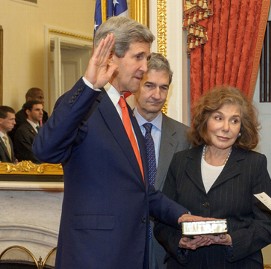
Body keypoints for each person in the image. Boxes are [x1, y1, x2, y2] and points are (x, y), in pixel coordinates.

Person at [33, 16, 206, 269]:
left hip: (130, 255)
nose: (144, 66)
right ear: (111, 56)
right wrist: (88, 85)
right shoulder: (86, 105)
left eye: (146, 58)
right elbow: (45, 149)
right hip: (93, 257)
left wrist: (184, 218)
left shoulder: (128, 115)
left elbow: (143, 191)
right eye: (138, 57)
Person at [155, 86, 271, 268]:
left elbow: (266, 226)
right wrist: (180, 242)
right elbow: (162, 221)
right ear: (205, 121)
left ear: (241, 128)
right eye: (218, 118)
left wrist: (230, 239)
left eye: (234, 121)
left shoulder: (255, 164)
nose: (226, 128)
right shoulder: (180, 161)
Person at [133, 52, 191, 268]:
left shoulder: (186, 137)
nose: (157, 94)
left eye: (163, 87)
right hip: (125, 243)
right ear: (137, 84)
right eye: (149, 85)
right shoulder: (117, 131)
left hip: (168, 247)